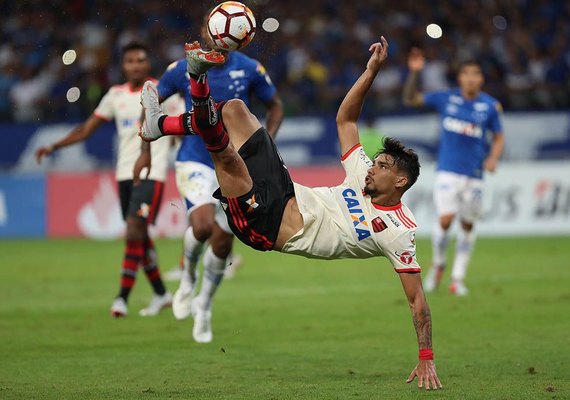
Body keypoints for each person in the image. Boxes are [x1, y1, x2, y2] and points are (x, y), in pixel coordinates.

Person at [140, 37, 443, 390]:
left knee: (227, 156)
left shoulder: (399, 231)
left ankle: (196, 78)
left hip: (267, 227)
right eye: (375, 162)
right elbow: (346, 119)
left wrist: (426, 357)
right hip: (284, 189)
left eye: (383, 166)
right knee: (235, 109)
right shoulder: (362, 173)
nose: (373, 168)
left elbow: (417, 301)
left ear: (401, 180)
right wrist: (371, 71)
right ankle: (159, 126)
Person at [133, 18, 283, 343]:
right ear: (205, 32)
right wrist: (145, 153)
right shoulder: (181, 68)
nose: (213, 35)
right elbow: (149, 103)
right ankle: (187, 278)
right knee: (201, 226)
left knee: (224, 239)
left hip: (234, 164)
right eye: (208, 29)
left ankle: (204, 305)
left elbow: (276, 106)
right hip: (196, 159)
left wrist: (264, 144)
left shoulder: (250, 69)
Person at [36, 42, 173, 317]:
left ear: (148, 63)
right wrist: (54, 146)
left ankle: (122, 298)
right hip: (123, 173)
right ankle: (161, 293)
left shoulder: (164, 90)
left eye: (141, 60)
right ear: (123, 66)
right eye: (130, 61)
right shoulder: (115, 95)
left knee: (134, 232)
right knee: (141, 238)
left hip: (152, 173)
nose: (136, 65)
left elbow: (179, 127)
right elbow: (86, 129)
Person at [402, 48, 505, 296]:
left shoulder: (490, 106)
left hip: (475, 175)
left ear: (481, 79)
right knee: (446, 220)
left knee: (468, 225)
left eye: (476, 74)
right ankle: (438, 264)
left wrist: (492, 157)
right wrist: (415, 73)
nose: (471, 78)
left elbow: (499, 136)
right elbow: (410, 99)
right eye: (466, 73)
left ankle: (457, 278)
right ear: (459, 78)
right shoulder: (446, 98)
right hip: (448, 170)